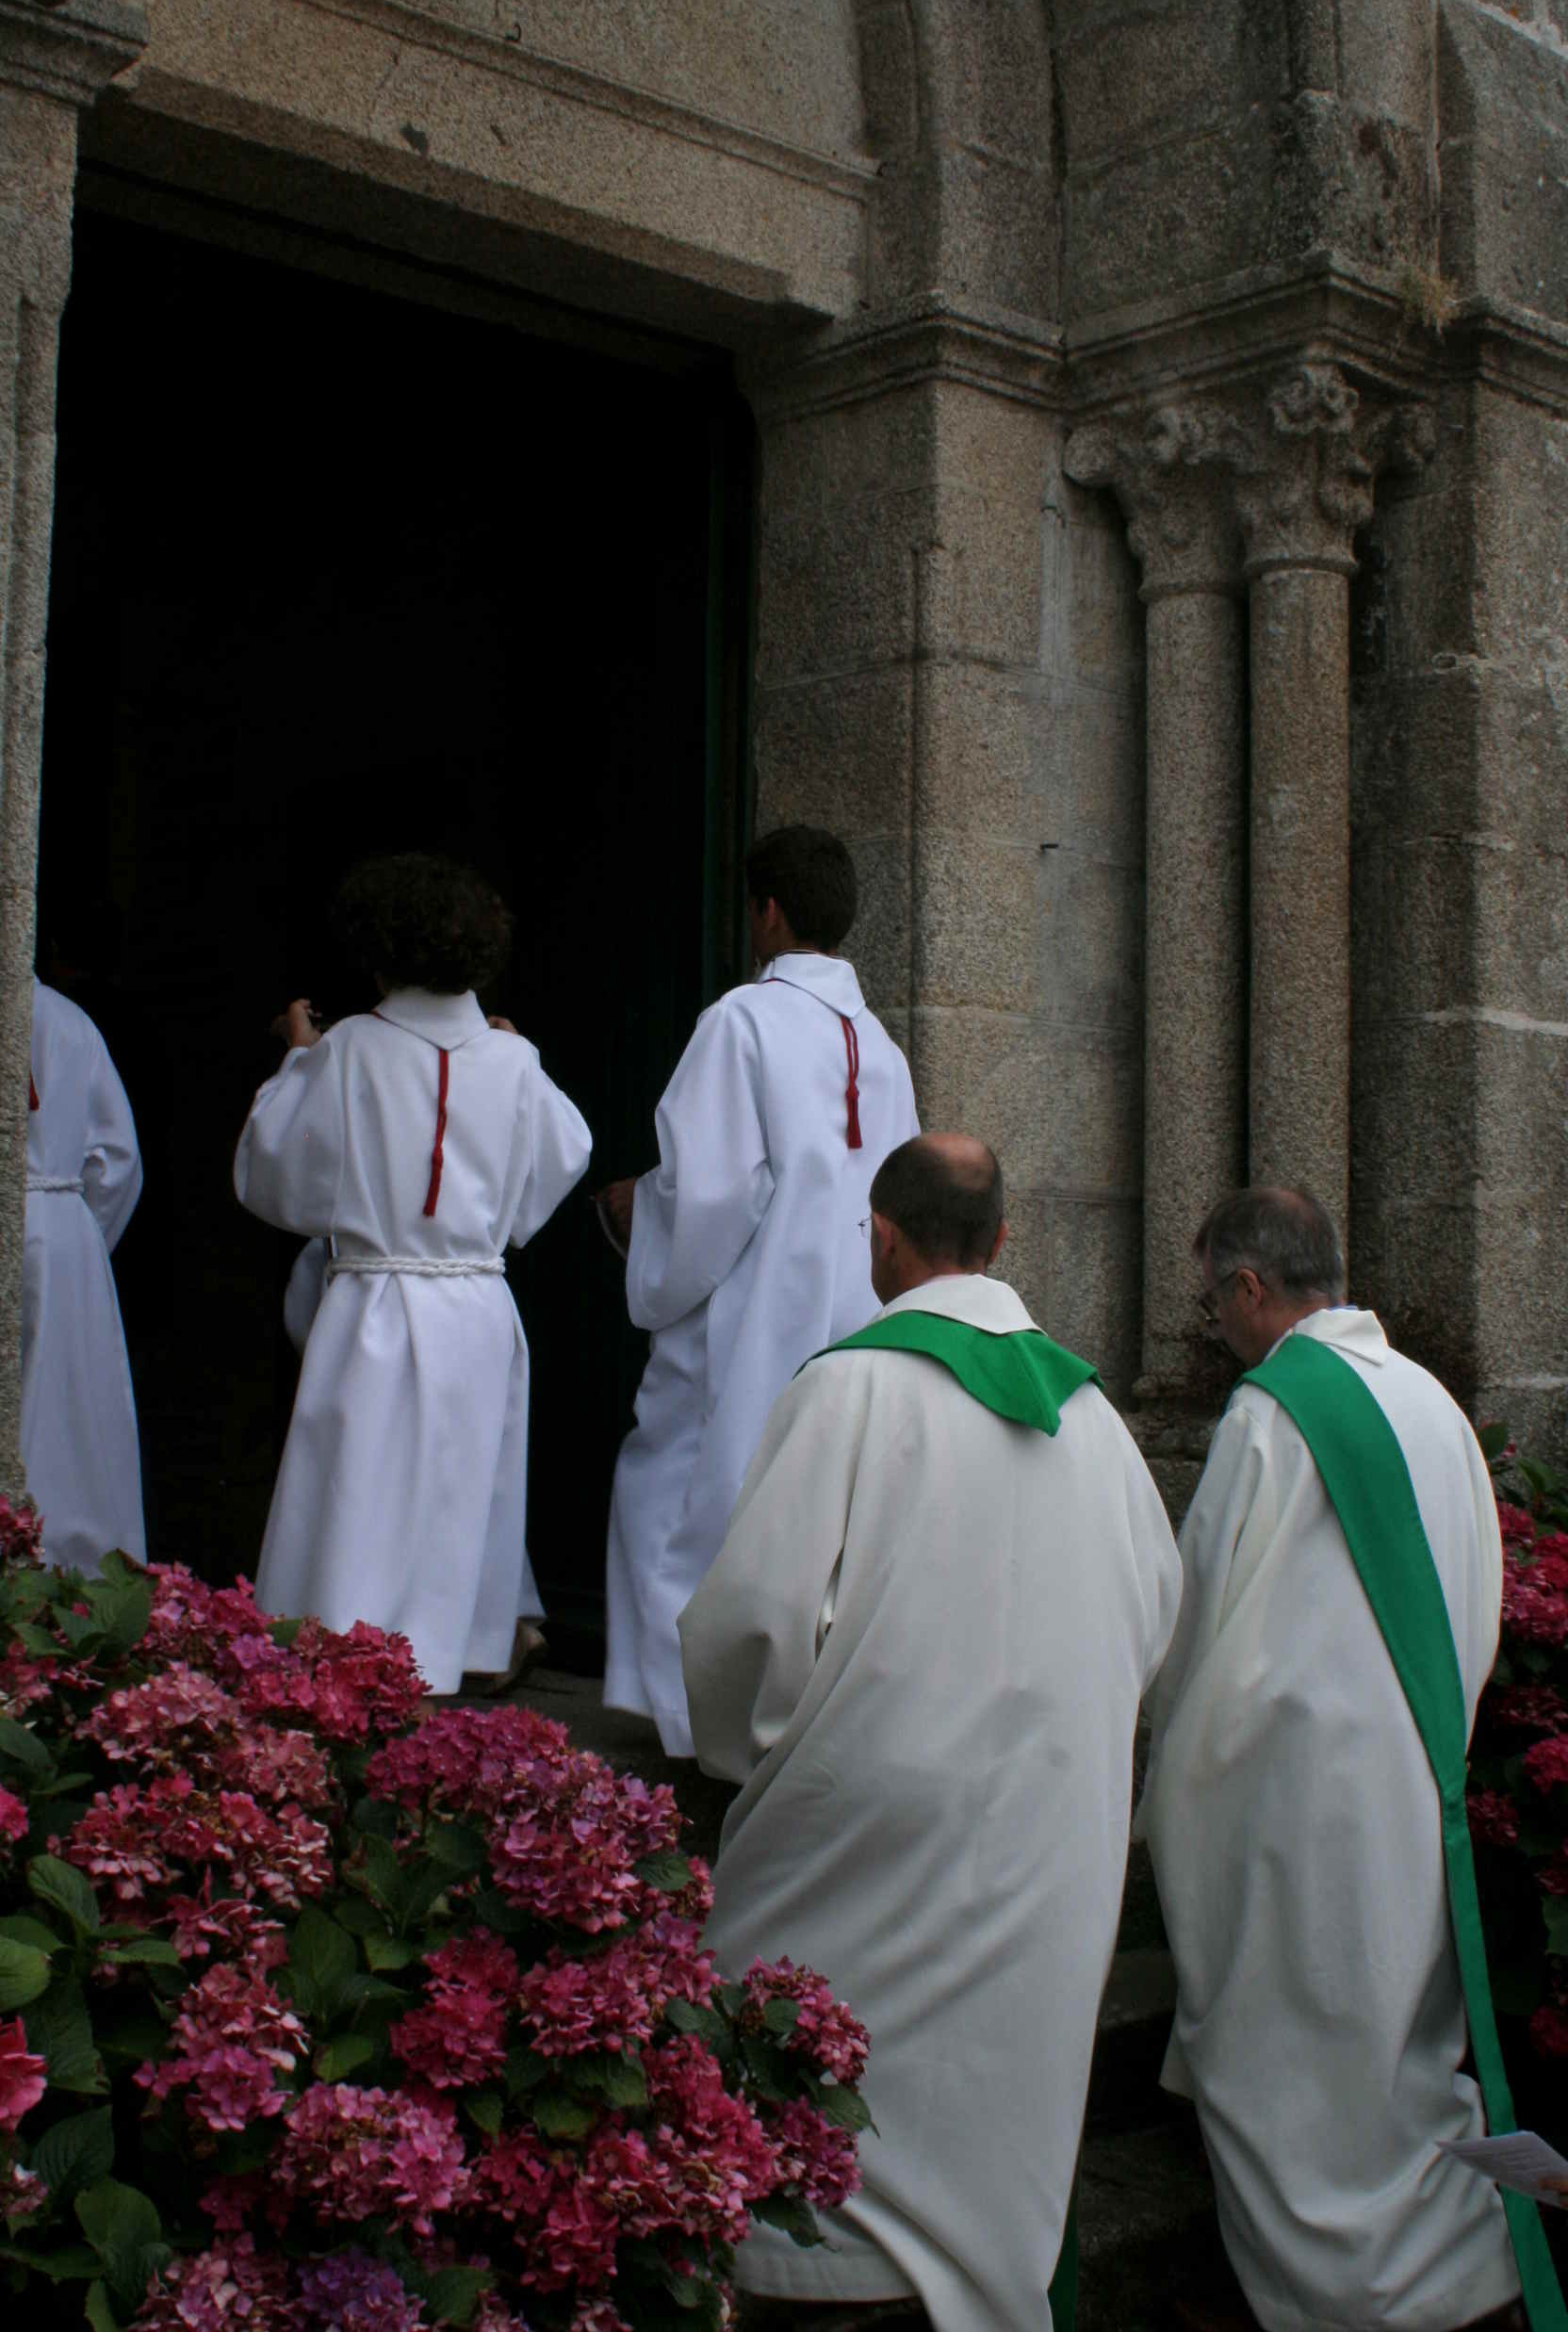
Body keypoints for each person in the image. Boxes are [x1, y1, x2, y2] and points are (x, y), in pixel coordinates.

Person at [679, 1133, 1182, 2332]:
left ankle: (824, 2280)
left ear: (883, 1240)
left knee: (800, 2036)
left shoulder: (845, 1388)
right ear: (1003, 1242)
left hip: (866, 1827)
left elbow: (747, 1626)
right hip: (1047, 1833)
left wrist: (765, 1753)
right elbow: (1156, 1609)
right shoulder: (1099, 1423)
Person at [1140, 1186, 1549, 2332]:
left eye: (1210, 1296)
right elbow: (1478, 1594)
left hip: (1292, 1800)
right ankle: (1447, 2261)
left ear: (1249, 1289)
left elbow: (1198, 1615)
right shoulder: (1428, 1400)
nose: (1210, 1323)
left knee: (1294, 2047)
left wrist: (1168, 1769)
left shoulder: (1271, 1411)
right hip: (1411, 1779)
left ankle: (1341, 2290)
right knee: (1389, 2037)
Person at [234, 853, 591, 1697]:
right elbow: (564, 1151)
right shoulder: (514, 1058)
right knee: (457, 1495)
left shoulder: (350, 1048)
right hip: (474, 1301)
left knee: (360, 1493)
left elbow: (274, 1172)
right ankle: (443, 1664)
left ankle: (342, 1671)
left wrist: (296, 1056)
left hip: (376, 1306)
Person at [600, 824, 920, 1757]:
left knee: (680, 1491)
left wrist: (639, 1221)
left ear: (766, 912)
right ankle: (777, 1715)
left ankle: (684, 1719)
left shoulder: (740, 1021)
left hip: (751, 1312)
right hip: (851, 1309)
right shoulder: (881, 1046)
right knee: (808, 1508)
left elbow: (709, 1188)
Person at [22, 975, 145, 1572]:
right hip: (63, 1233)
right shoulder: (72, 1021)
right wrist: (80, 1246)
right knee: (68, 1418)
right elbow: (118, 1160)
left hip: (51, 1216)